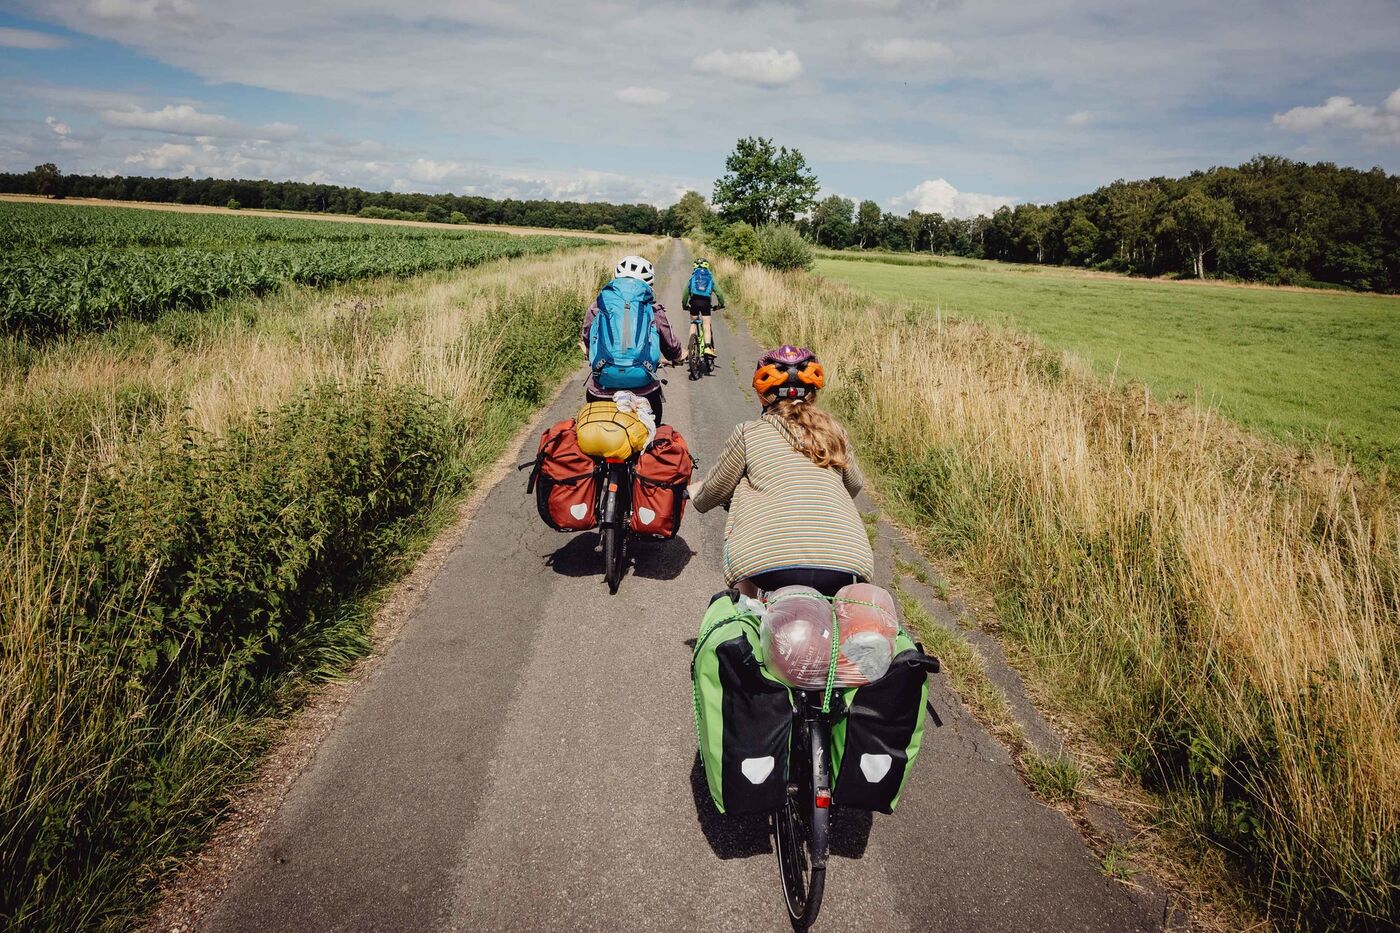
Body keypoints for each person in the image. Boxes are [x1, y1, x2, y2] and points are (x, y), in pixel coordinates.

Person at [689, 345, 873, 596]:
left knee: (745, 598)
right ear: (813, 393)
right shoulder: (834, 433)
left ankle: (747, 620)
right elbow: (854, 485)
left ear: (763, 395)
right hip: (846, 560)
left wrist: (698, 493)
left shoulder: (748, 433)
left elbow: (714, 491)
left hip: (769, 563)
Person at [580, 255, 683, 423]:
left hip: (601, 388)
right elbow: (672, 347)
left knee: (592, 436)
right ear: (649, 284)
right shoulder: (653, 309)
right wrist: (679, 355)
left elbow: (587, 337)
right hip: (644, 390)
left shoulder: (598, 306)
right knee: (652, 438)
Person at [681, 258, 726, 359]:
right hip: (706, 303)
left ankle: (691, 348)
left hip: (694, 302)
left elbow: (685, 293)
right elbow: (719, 293)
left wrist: (684, 305)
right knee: (706, 325)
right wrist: (721, 304)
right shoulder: (710, 278)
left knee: (693, 323)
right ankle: (707, 347)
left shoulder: (693, 278)